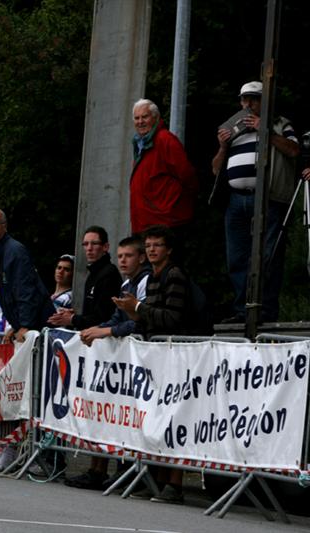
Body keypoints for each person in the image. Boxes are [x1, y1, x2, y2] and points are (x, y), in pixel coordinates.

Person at [66, 235, 151, 491]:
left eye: (129, 256)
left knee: (135, 416)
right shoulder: (127, 281)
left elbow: (139, 321)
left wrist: (104, 332)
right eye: (121, 256)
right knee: (107, 411)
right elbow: (116, 317)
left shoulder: (143, 281)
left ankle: (132, 471)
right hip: (119, 359)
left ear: (141, 258)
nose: (123, 260)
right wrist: (94, 329)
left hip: (140, 358)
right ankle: (100, 468)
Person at [211, 81, 300, 322]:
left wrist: (266, 132)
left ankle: (266, 312)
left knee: (268, 257)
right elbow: (216, 169)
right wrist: (222, 146)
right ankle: (243, 311)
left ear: (265, 101)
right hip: (237, 200)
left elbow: (294, 150)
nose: (247, 104)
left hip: (269, 198)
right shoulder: (235, 131)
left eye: (253, 99)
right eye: (244, 99)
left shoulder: (281, 123)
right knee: (237, 258)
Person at [113, 225, 189, 503]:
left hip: (177, 356)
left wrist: (138, 309)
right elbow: (148, 318)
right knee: (155, 418)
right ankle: (155, 481)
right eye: (148, 246)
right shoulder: (155, 277)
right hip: (156, 356)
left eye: (157, 245)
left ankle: (175, 484)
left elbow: (172, 319)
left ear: (168, 249)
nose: (152, 250)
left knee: (174, 419)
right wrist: (133, 312)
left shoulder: (175, 275)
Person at [0, 208, 55, 343]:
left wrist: (25, 325)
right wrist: (15, 326)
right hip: (27, 325)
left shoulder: (14, 251)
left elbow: (25, 290)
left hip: (38, 327)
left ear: (5, 226)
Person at [129, 99, 197, 239]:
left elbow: (187, 176)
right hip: (144, 223)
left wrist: (169, 208)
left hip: (164, 223)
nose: (140, 121)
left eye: (145, 117)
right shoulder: (140, 143)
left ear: (156, 117)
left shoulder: (165, 139)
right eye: (137, 118)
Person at [48, 226, 121, 331]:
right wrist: (74, 316)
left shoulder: (109, 274)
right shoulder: (93, 274)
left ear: (105, 247)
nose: (89, 248)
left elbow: (104, 317)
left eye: (94, 243)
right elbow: (92, 314)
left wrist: (73, 319)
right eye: (86, 244)